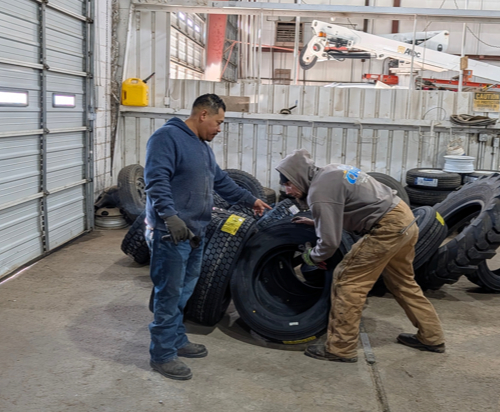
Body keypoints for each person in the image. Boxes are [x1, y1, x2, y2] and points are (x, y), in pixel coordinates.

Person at [144, 93, 271, 380]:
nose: (219, 128)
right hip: (171, 234)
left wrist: (250, 199)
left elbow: (221, 181)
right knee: (169, 294)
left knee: (183, 292)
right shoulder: (166, 138)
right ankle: (162, 354)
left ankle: (176, 339)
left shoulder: (201, 147)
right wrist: (170, 217)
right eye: (218, 122)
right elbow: (155, 180)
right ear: (203, 115)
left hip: (195, 232)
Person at [276, 148, 445, 363]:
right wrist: (316, 222)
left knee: (348, 281)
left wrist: (312, 257)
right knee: (403, 283)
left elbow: (329, 243)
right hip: (405, 220)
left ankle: (340, 348)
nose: (287, 190)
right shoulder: (329, 172)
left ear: (298, 175)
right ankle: (432, 337)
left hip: (387, 227)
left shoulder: (319, 191)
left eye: (288, 183)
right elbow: (345, 208)